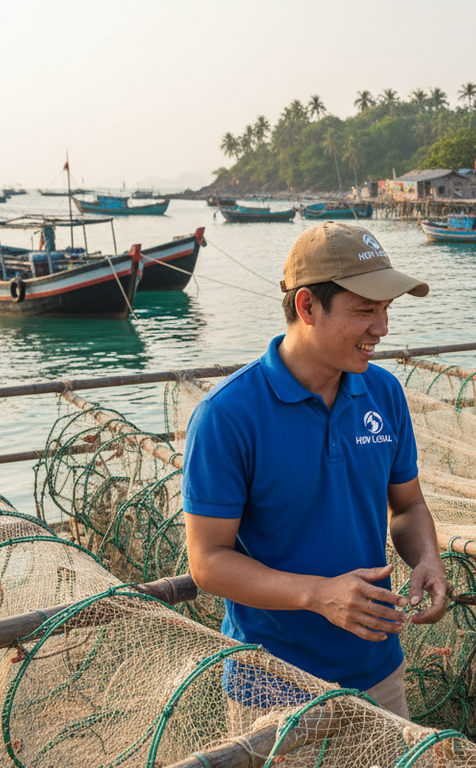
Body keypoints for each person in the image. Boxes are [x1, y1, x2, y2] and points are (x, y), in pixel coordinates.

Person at [182, 221, 450, 720]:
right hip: (271, 681)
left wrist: (427, 560)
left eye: (387, 309)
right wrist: (318, 595)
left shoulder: (383, 393)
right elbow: (208, 562)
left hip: (379, 667)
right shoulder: (227, 416)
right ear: (306, 306)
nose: (383, 328)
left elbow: (408, 505)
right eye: (365, 310)